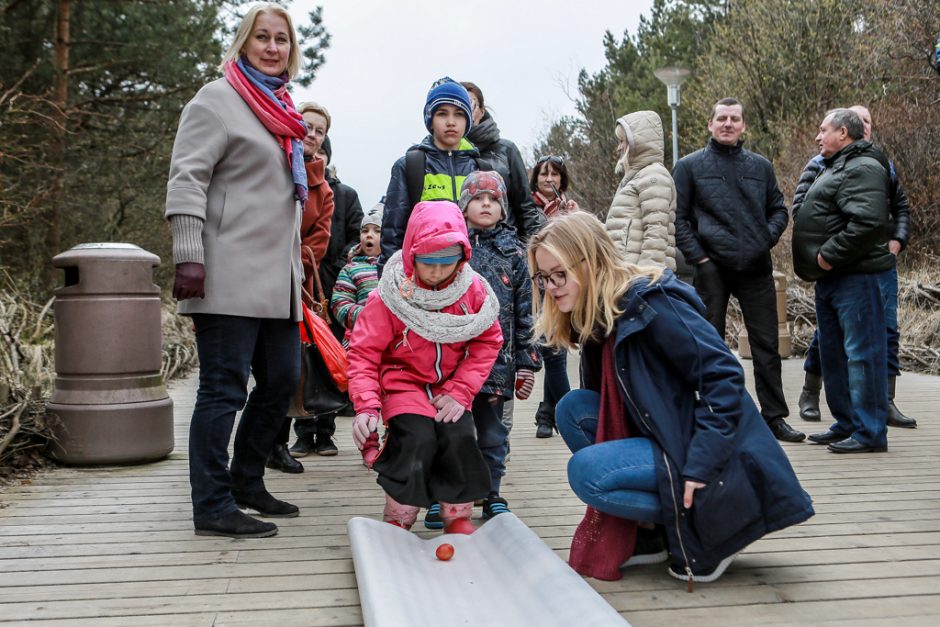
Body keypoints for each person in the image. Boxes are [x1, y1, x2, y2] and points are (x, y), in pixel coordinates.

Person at [529, 212, 814, 584]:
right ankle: (652, 532)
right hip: (665, 428)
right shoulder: (598, 316)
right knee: (573, 408)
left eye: (559, 274)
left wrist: (701, 464)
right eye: (543, 278)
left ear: (590, 259)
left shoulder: (653, 302)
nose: (551, 287)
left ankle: (712, 531)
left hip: (708, 449)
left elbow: (724, 375)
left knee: (589, 472)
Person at [165, 3, 305, 538]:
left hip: (277, 280)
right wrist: (189, 255)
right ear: (243, 42)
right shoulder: (217, 99)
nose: (273, 47)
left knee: (282, 381)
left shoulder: (283, 110)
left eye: (282, 40)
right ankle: (212, 504)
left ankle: (247, 480)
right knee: (223, 388)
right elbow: (187, 179)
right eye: (262, 37)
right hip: (223, 272)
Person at [347, 200, 503, 534]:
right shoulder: (388, 297)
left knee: (459, 434)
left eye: (446, 263)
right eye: (427, 262)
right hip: (402, 383)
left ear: (462, 257)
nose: (435, 272)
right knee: (415, 437)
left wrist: (461, 391)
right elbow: (363, 353)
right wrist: (366, 406)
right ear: (410, 254)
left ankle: (456, 514)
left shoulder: (472, 293)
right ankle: (400, 515)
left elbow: (488, 341)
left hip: (450, 385)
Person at [673, 97, 805, 444]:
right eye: (721, 119)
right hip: (711, 268)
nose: (728, 124)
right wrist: (699, 258)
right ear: (710, 125)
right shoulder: (688, 167)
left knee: (767, 346)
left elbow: (779, 210)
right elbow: (678, 218)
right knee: (709, 346)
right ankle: (715, 415)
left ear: (744, 126)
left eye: (734, 119)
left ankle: (774, 418)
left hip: (755, 267)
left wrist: (766, 239)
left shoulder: (760, 166)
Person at [791, 105, 916, 429]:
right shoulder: (826, 165)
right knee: (833, 346)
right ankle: (845, 421)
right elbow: (805, 209)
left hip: (860, 270)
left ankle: (870, 424)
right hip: (836, 273)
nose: (818, 136)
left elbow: (870, 220)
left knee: (868, 346)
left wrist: (828, 254)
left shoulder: (868, 166)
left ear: (843, 133)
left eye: (823, 130)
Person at [459, 171, 541, 520]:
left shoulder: (516, 254)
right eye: (478, 198)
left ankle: (491, 492)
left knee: (493, 433)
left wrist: (526, 361)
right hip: (453, 362)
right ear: (464, 206)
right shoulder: (452, 247)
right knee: (454, 431)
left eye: (493, 199)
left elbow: (526, 312)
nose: (486, 204)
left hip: (499, 362)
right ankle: (447, 494)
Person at [267, 100, 335, 472]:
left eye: (319, 130)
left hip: (295, 287)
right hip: (255, 277)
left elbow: (319, 242)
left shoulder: (323, 189)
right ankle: (258, 446)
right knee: (257, 371)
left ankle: (277, 444)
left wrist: (289, 254)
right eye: (307, 125)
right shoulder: (272, 162)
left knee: (286, 371)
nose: (311, 134)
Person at [288, 134, 365, 460]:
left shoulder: (345, 194)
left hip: (334, 287)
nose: (315, 152)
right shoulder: (294, 187)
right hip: (299, 281)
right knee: (303, 359)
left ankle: (327, 432)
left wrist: (342, 260)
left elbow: (356, 234)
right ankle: (303, 434)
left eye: (321, 149)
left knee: (331, 358)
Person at [380, 77, 479, 273]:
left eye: (459, 114)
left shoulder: (479, 168)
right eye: (442, 114)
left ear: (467, 120)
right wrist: (389, 281)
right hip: (424, 275)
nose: (451, 122)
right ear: (430, 119)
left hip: (472, 278)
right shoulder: (410, 165)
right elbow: (393, 233)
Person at [528, 156, 578, 438]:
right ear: (535, 179)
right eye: (544, 174)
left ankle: (546, 414)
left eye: (555, 175)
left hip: (562, 286)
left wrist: (573, 220)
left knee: (555, 348)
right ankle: (572, 413)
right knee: (554, 353)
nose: (550, 179)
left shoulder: (566, 207)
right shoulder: (528, 207)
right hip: (538, 286)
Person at [461, 81, 543, 241]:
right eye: (459, 106)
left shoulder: (506, 150)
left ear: (482, 110)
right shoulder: (445, 156)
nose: (465, 111)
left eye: (470, 104)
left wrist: (530, 253)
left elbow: (525, 207)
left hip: (507, 248)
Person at [604, 111, 677, 270]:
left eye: (622, 141)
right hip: (626, 274)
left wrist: (646, 279)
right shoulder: (635, 177)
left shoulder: (654, 175)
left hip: (639, 278)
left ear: (638, 142)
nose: (619, 148)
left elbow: (656, 232)